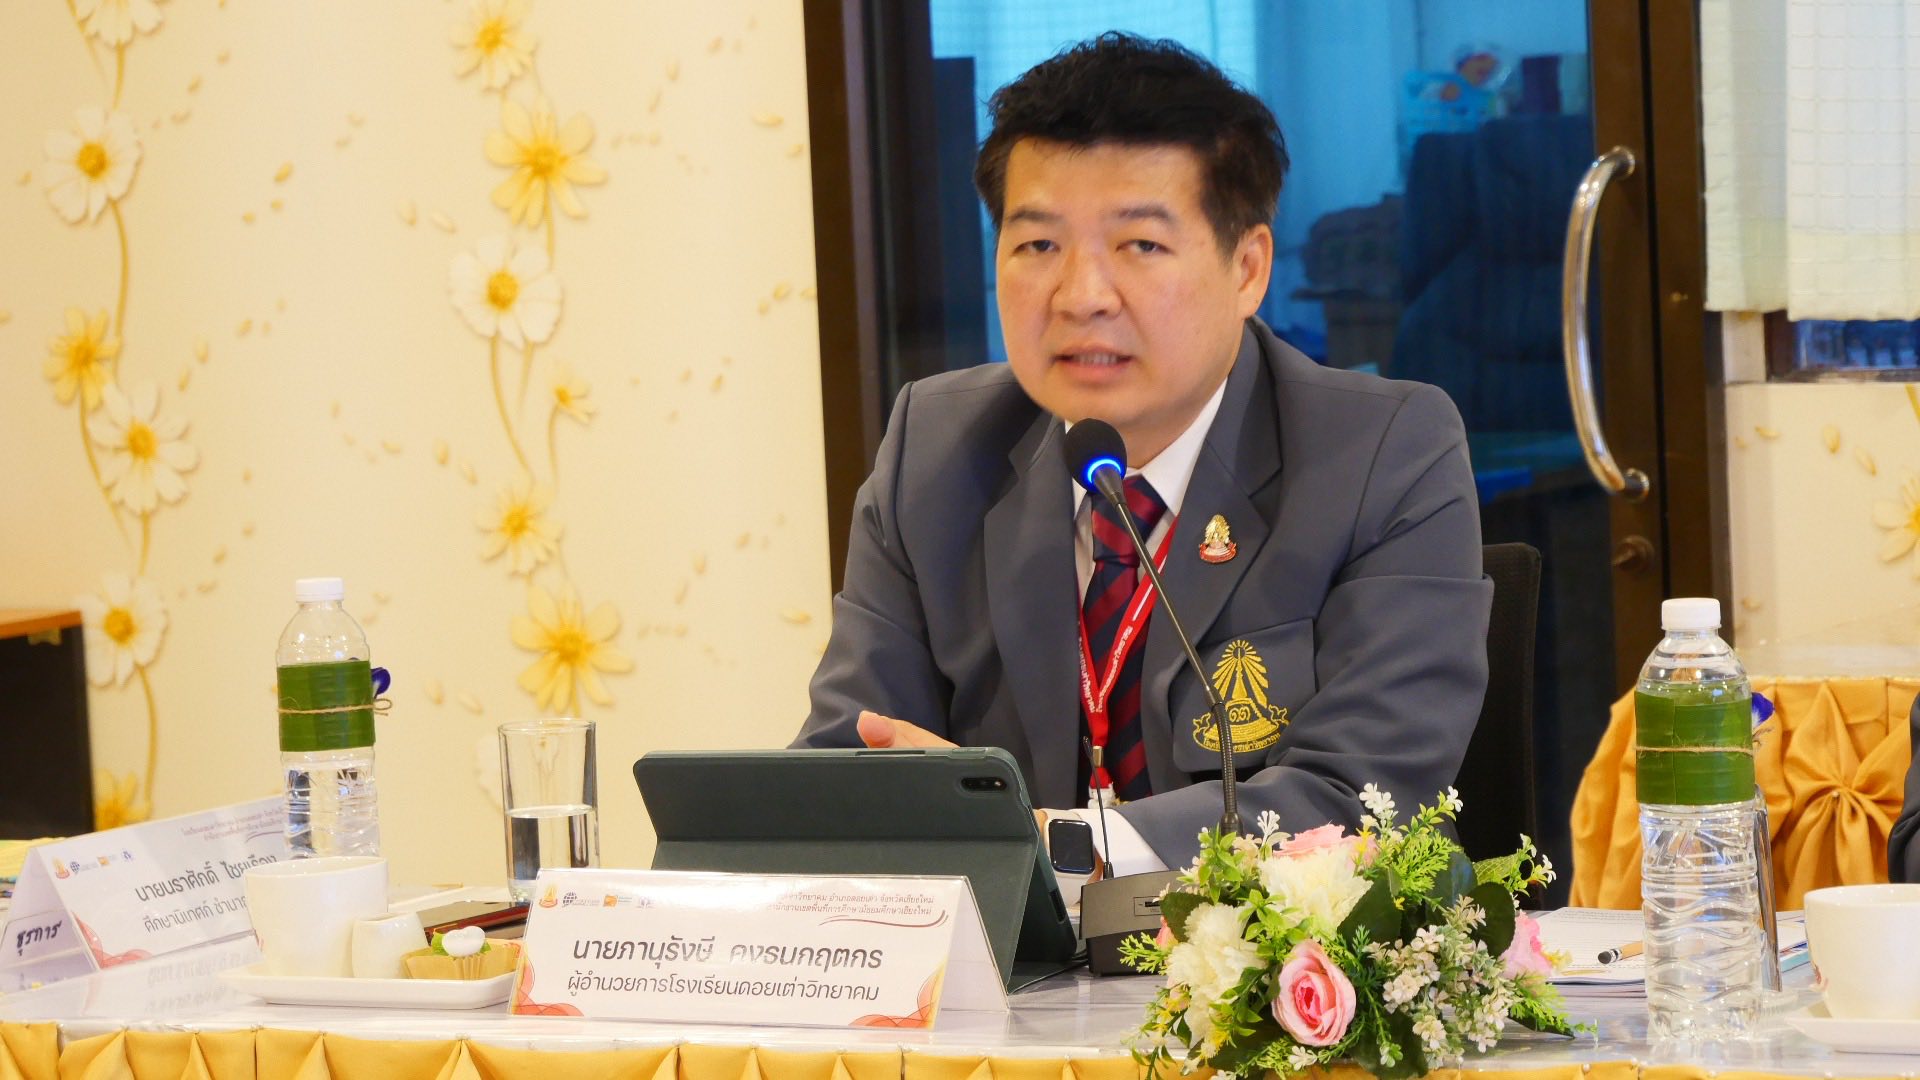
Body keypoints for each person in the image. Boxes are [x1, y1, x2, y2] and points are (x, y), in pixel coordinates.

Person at [792, 33, 1491, 874]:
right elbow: (847, 768)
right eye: (1038, 245)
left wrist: (1060, 847)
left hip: (1268, 956)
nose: (1082, 296)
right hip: (1007, 958)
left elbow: (1363, 797)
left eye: (1140, 246)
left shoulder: (1383, 454)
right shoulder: (935, 452)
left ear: (1248, 268)